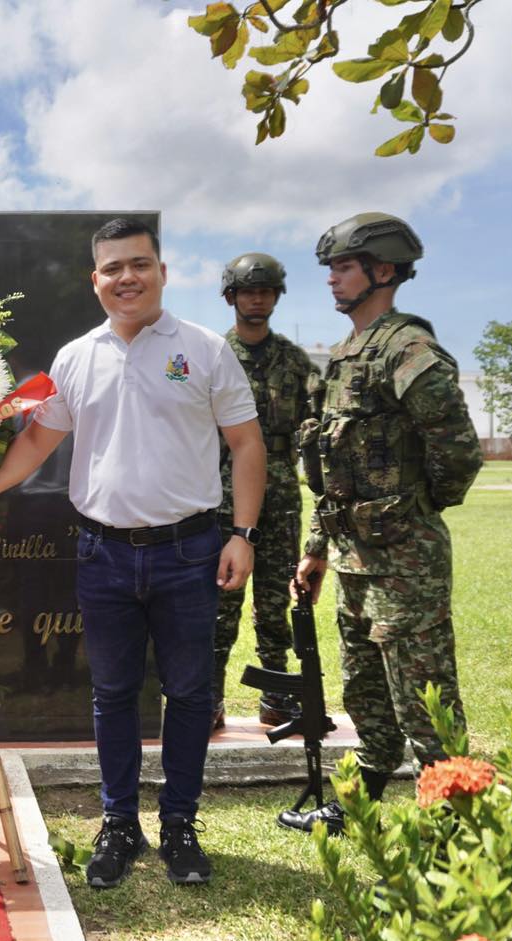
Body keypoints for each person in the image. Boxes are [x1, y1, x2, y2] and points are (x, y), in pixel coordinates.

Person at [0, 218, 266, 889]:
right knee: (112, 694)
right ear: (96, 281)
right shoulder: (75, 357)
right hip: (104, 554)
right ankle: (119, 822)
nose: (126, 278)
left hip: (190, 551)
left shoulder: (204, 351)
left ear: (163, 273)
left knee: (189, 691)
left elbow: (247, 444)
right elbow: (35, 444)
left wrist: (243, 533)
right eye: (112, 268)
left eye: (139, 264)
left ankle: (178, 824)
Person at [288, 212, 483, 834]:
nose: (332, 281)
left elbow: (457, 450)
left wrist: (414, 511)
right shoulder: (344, 357)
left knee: (425, 698)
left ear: (384, 270)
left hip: (405, 560)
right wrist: (317, 548)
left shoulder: (409, 349)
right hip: (352, 557)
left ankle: (457, 829)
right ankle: (359, 804)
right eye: (331, 269)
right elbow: (328, 465)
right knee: (365, 692)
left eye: (343, 268)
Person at [211, 253, 323, 731]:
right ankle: (208, 697)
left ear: (277, 296)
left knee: (275, 602)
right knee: (218, 603)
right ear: (231, 296)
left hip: (279, 495)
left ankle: (276, 695)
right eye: (248, 290)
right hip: (221, 494)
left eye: (266, 290)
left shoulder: (296, 363)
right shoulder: (212, 355)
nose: (257, 297)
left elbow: (316, 432)